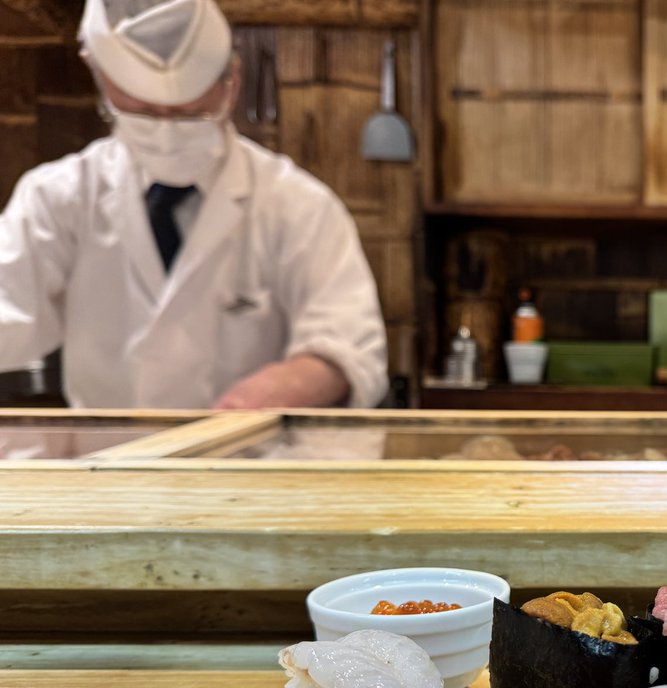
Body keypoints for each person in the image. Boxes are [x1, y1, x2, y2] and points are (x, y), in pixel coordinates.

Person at [0, 0, 388, 409]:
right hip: (108, 464)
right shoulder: (57, 198)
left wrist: (289, 385)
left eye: (190, 114)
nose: (167, 133)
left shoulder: (299, 207)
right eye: (145, 114)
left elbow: (350, 348)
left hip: (251, 463)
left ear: (232, 80)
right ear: (98, 75)